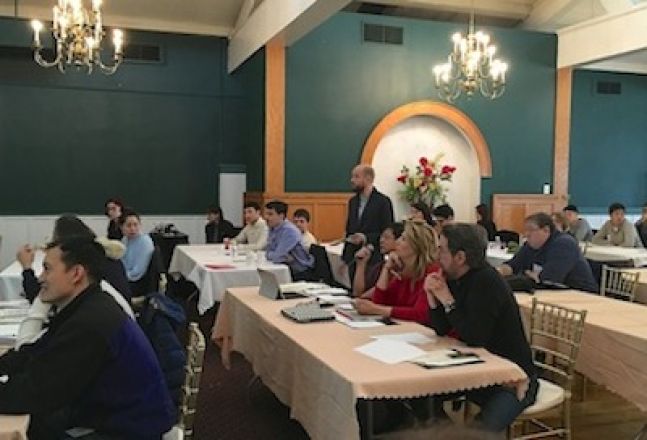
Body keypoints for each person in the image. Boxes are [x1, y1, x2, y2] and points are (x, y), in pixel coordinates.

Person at [0, 237, 175, 439]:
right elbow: (36, 351)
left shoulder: (91, 321)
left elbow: (36, 391)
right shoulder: (87, 304)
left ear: (76, 273)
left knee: (33, 420)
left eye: (47, 269)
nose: (40, 278)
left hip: (128, 431)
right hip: (111, 418)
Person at [424, 223, 538, 433]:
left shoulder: (486, 281)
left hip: (511, 378)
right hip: (477, 372)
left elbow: (475, 337)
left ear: (460, 257)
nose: (437, 254)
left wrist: (447, 300)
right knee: (420, 399)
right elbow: (440, 328)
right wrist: (433, 299)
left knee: (479, 432)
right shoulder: (456, 278)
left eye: (442, 249)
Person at [16, 215, 132, 303]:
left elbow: (41, 298)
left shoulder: (82, 264)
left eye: (48, 269)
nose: (41, 278)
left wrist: (27, 268)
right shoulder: (103, 254)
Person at [353, 221, 440, 325]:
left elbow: (421, 314)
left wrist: (377, 310)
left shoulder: (432, 272)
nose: (397, 242)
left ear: (416, 246)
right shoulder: (403, 270)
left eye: (403, 239)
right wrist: (386, 269)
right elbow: (379, 301)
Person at [498, 213, 598, 292]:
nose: (526, 234)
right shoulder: (530, 245)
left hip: (580, 295)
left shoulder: (564, 244)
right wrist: (498, 272)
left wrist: (530, 276)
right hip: (551, 293)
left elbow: (549, 279)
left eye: (531, 230)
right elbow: (512, 265)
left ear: (546, 230)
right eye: (525, 230)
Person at [343, 165, 394, 271]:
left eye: (356, 177)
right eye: (352, 176)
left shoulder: (383, 201)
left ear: (368, 179)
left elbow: (387, 231)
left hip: (372, 258)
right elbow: (349, 228)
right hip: (351, 257)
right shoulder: (353, 201)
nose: (352, 180)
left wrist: (365, 238)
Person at [264, 201, 314, 280]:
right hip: (286, 268)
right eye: (266, 214)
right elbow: (268, 252)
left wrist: (272, 255)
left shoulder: (290, 231)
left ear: (281, 216)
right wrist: (273, 255)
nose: (266, 217)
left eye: (270, 214)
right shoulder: (272, 228)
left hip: (300, 273)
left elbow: (277, 257)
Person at [352, 222, 404, 298]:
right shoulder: (379, 265)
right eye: (381, 237)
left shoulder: (398, 268)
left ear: (399, 241)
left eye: (387, 237)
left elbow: (369, 295)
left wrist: (359, 300)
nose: (381, 240)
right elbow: (357, 292)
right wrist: (361, 265)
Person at [120, 209, 155, 294]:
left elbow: (137, 272)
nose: (133, 228)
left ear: (140, 225)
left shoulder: (145, 242)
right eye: (128, 225)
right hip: (126, 278)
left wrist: (120, 278)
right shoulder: (125, 240)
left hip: (137, 283)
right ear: (121, 227)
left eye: (135, 225)